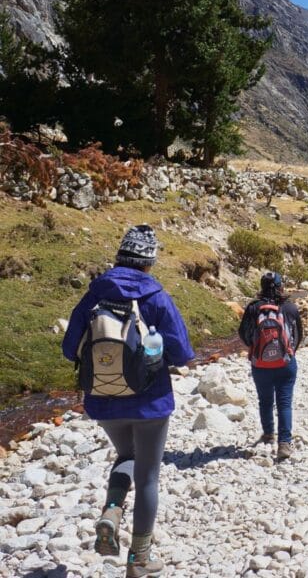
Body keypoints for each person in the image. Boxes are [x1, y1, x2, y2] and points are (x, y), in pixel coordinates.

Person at [62, 225, 194, 578]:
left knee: (127, 457)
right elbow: (182, 353)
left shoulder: (94, 295)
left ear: (120, 256)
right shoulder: (156, 297)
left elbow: (68, 349)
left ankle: (112, 509)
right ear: (149, 262)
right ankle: (138, 560)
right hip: (150, 403)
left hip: (103, 401)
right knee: (148, 476)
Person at [239, 272, 303, 460]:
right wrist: (290, 352)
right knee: (284, 401)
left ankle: (268, 434)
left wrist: (255, 348)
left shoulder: (253, 308)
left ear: (261, 286)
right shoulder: (290, 307)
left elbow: (243, 334)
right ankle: (284, 442)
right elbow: (298, 335)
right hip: (286, 363)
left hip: (260, 364)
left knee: (265, 400)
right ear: (281, 286)